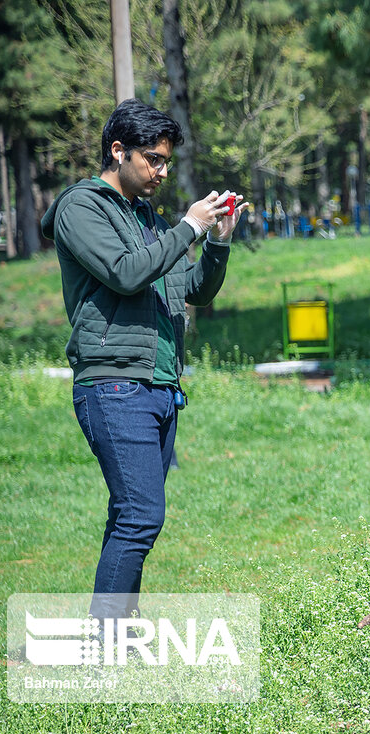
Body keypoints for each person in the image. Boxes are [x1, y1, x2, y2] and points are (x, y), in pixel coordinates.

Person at [40, 99, 248, 623]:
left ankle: (118, 636)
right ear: (118, 151)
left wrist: (217, 240)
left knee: (128, 518)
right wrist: (189, 227)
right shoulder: (81, 209)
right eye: (153, 159)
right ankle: (104, 644)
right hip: (114, 385)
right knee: (140, 516)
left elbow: (195, 290)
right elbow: (126, 273)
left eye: (166, 162)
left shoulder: (150, 221)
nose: (161, 171)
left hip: (159, 387)